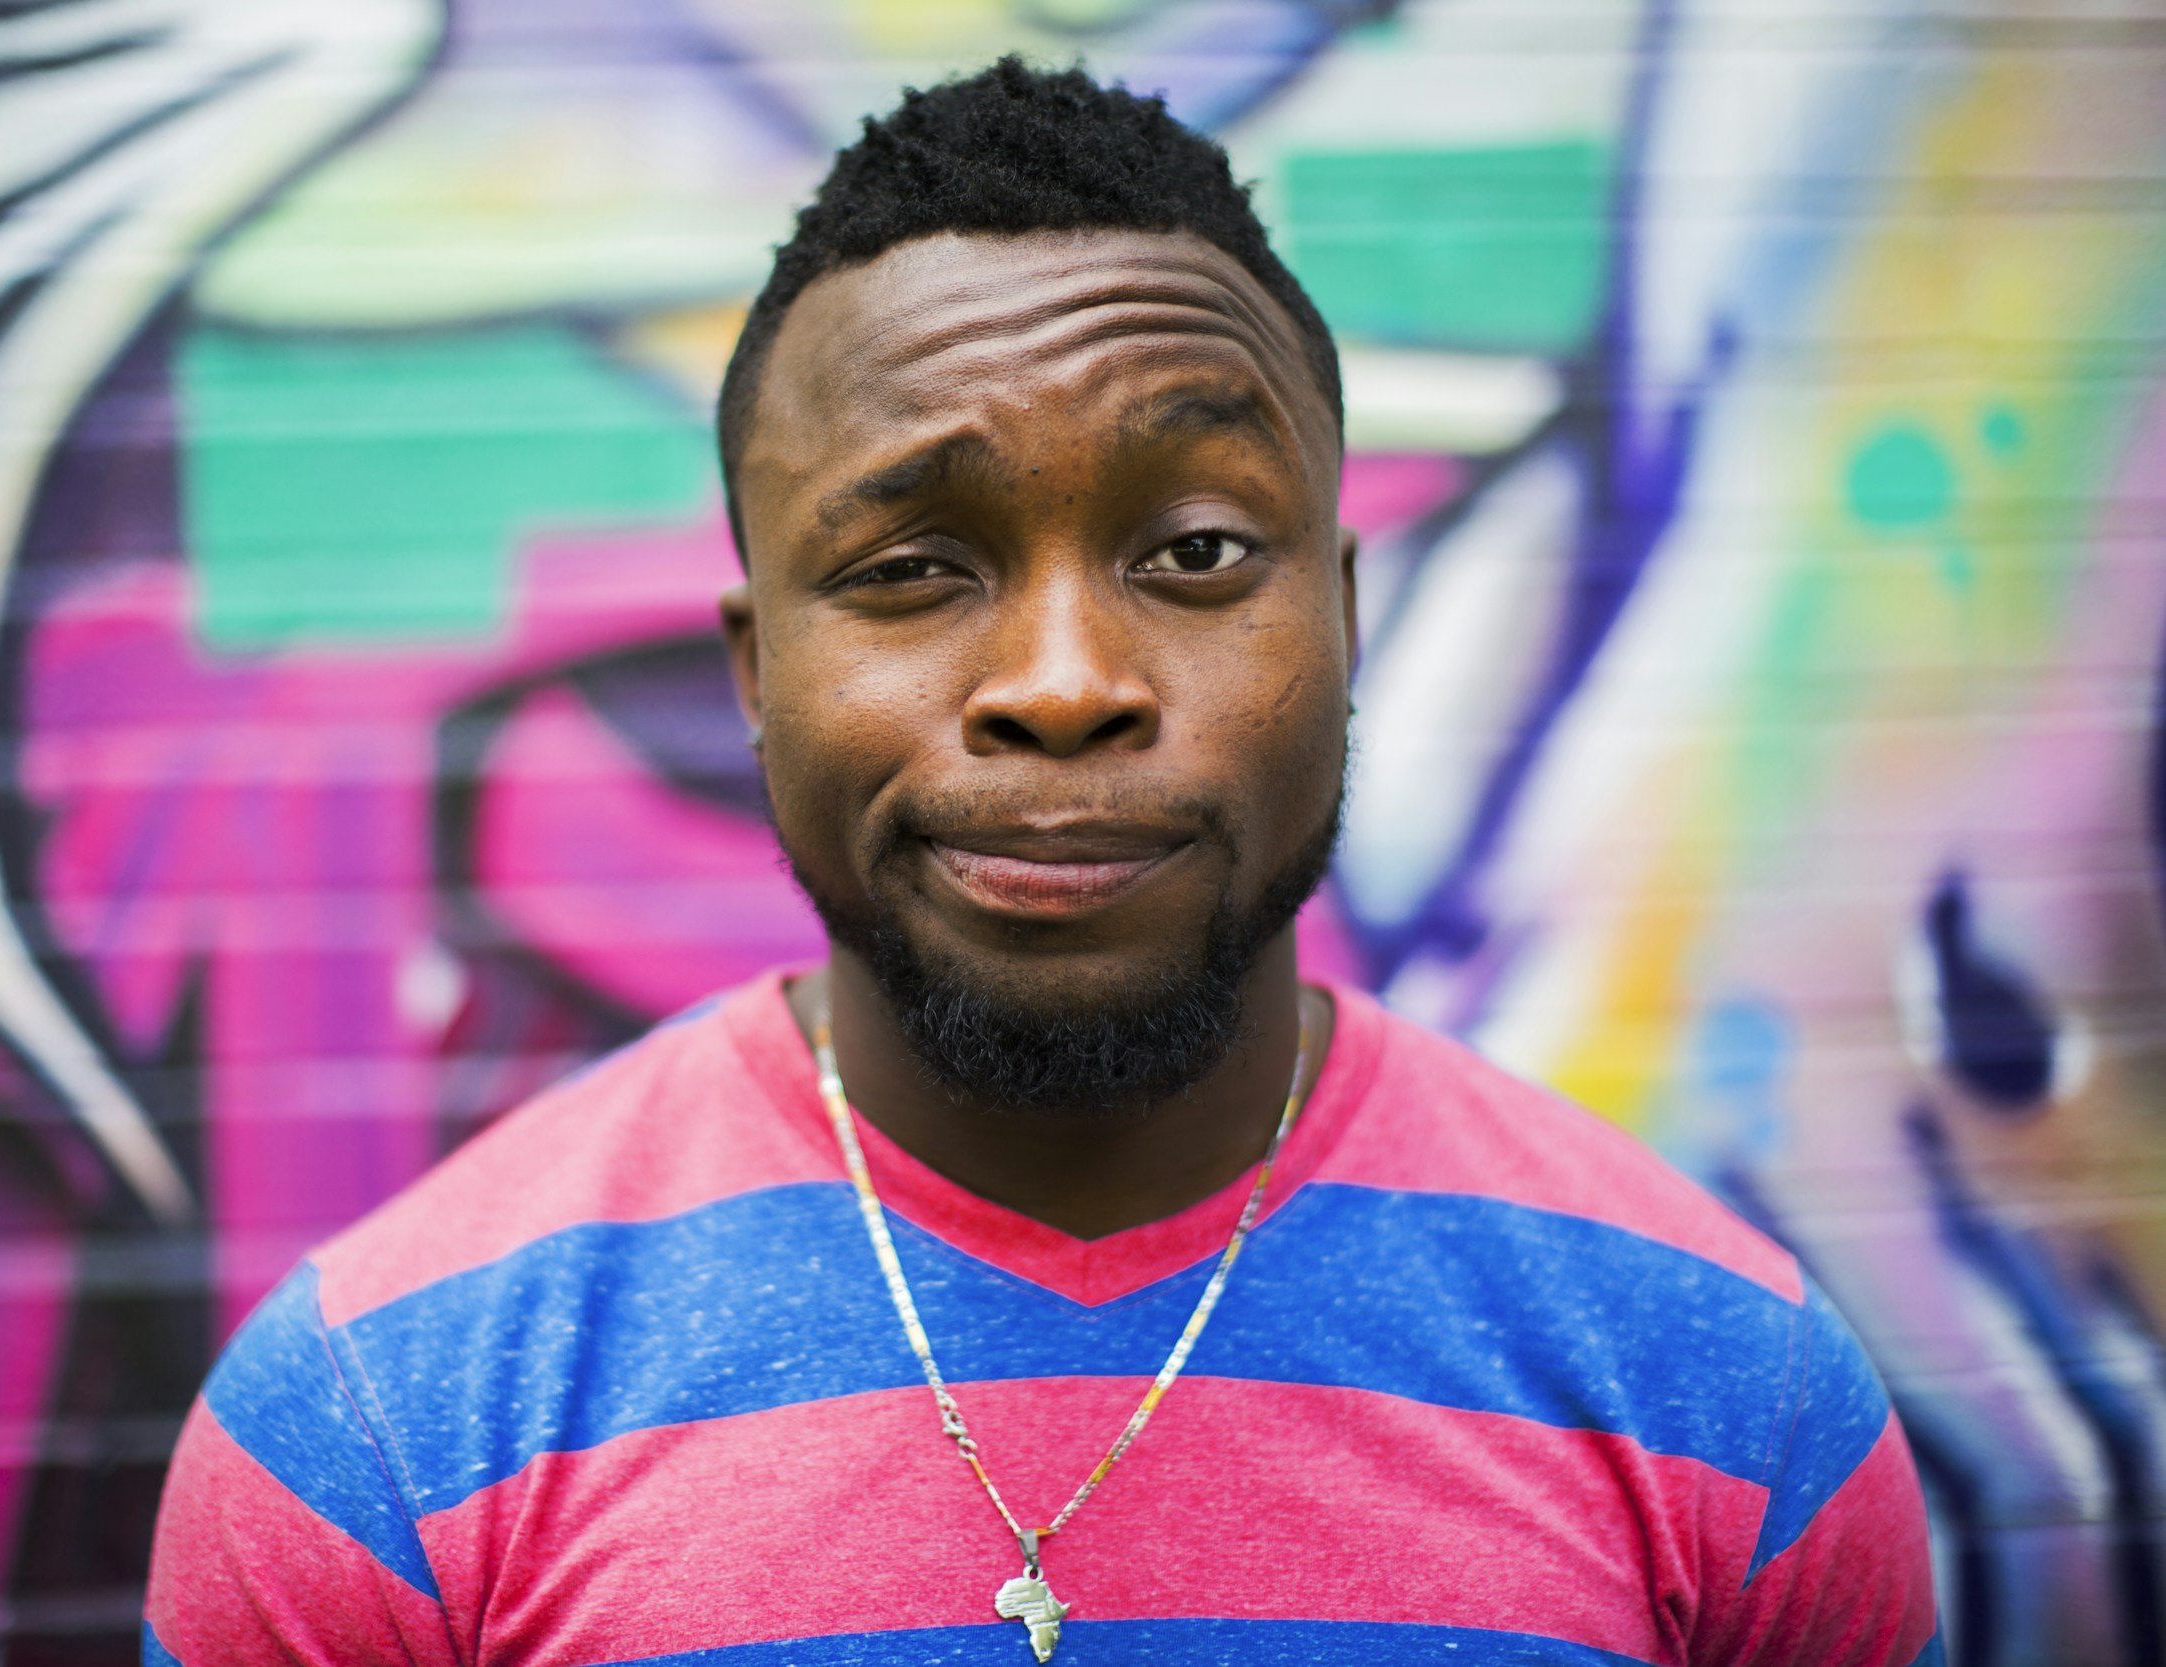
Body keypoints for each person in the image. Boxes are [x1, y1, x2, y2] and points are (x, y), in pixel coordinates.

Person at [144, 59, 1939, 1666]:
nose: (1067, 686)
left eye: (1200, 550)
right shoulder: (383, 1419)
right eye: (914, 568)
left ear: (1345, 619)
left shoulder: (1728, 1394)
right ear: (758, 675)